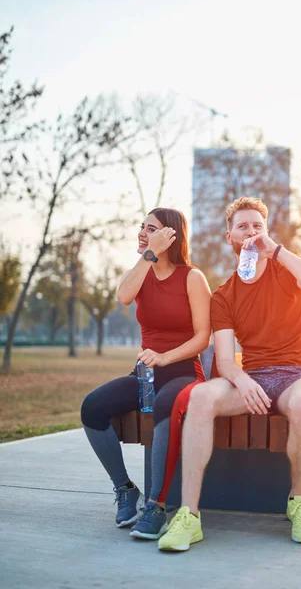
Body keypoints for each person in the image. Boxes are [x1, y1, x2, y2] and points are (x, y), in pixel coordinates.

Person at [159, 196, 301, 551]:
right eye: (243, 226)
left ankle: (299, 502)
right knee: (202, 396)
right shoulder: (223, 296)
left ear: (267, 233)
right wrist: (243, 380)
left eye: (258, 226)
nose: (251, 231)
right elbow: (224, 360)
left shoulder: (288, 269)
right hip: (254, 377)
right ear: (230, 237)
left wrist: (277, 251)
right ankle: (189, 515)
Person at [81, 207, 211, 541]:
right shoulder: (141, 272)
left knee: (168, 402)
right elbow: (123, 296)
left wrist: (166, 357)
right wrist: (149, 255)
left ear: (171, 235)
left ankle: (157, 505)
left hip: (183, 372)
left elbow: (202, 338)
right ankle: (125, 489)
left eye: (150, 228)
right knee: (92, 407)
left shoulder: (192, 278)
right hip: (146, 375)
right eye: (141, 227)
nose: (142, 232)